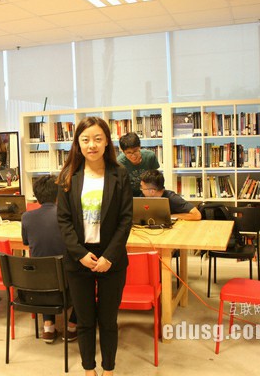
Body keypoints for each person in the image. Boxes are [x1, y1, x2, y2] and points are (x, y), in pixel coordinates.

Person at [56, 116, 132, 376]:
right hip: (79, 258)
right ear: (78, 143)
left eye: (98, 139)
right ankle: (89, 370)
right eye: (86, 139)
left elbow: (126, 220)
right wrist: (79, 254)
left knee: (108, 321)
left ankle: (108, 369)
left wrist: (109, 256)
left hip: (111, 258)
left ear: (106, 142)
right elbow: (63, 220)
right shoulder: (69, 176)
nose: (92, 145)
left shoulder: (119, 175)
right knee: (85, 321)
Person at [21, 175, 77, 343]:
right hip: (66, 280)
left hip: (37, 284)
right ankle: (72, 326)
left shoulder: (26, 217)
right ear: (59, 195)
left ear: (37, 196)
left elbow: (26, 242)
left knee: (44, 268)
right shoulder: (67, 216)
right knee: (85, 278)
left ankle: (48, 327)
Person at [117, 132, 160, 197]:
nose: (133, 155)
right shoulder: (120, 162)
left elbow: (156, 179)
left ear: (139, 147)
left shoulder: (150, 156)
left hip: (149, 193)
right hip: (128, 195)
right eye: (129, 153)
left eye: (135, 151)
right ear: (123, 152)